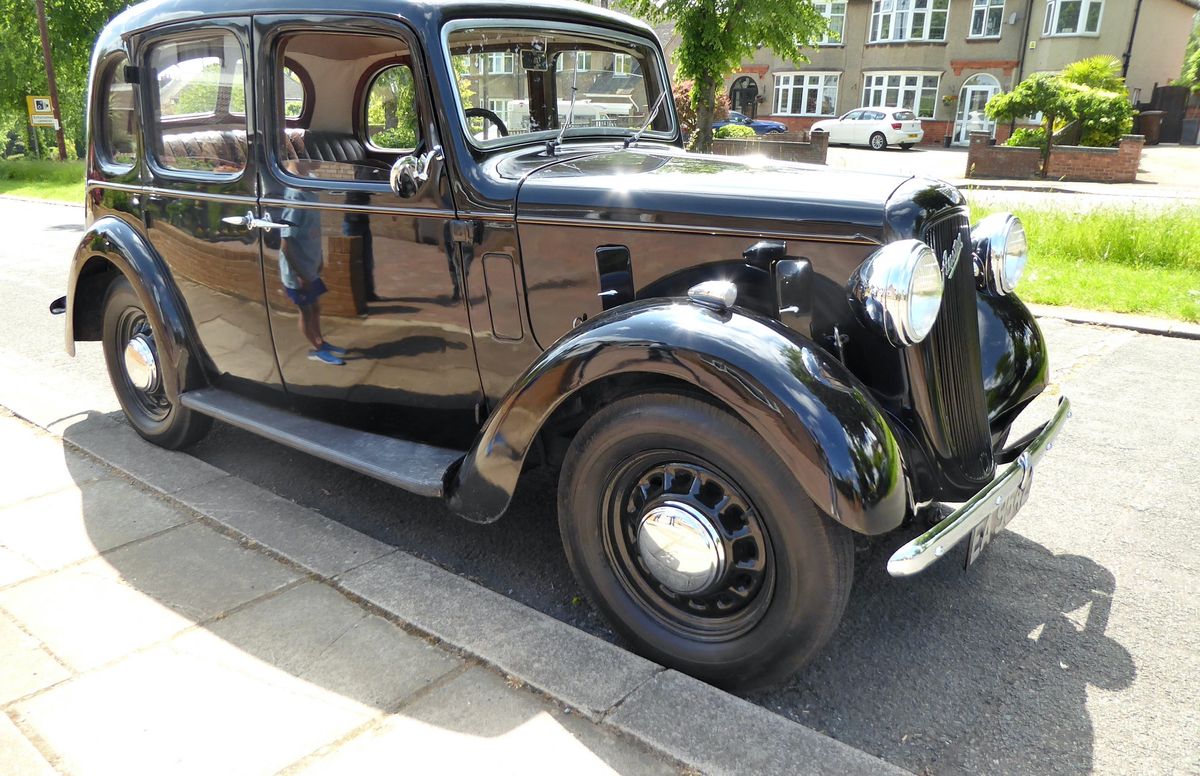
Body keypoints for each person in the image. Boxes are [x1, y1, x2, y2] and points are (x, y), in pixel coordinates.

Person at [279, 164, 348, 365]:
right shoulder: (295, 195)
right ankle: (316, 349)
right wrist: (300, 274)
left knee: (315, 307)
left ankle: (321, 342)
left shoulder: (308, 182)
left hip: (310, 265)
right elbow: (286, 243)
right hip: (298, 273)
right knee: (306, 310)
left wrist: (319, 259)